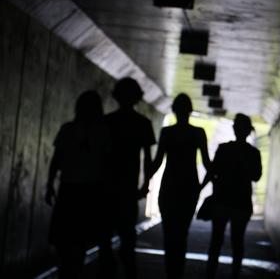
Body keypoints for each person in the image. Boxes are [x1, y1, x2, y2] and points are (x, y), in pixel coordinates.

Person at [45, 90, 111, 279]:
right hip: (90, 191)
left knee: (63, 239)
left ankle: (64, 272)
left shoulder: (67, 129)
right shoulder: (103, 132)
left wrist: (50, 184)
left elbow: (56, 160)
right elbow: (106, 164)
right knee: (80, 241)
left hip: (69, 189)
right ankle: (74, 272)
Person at [97, 77, 156, 279]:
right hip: (128, 189)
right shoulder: (143, 124)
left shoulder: (106, 122)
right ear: (137, 98)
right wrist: (145, 185)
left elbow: (99, 156)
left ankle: (108, 270)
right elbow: (148, 159)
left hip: (106, 188)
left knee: (104, 238)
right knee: (127, 239)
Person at [149, 93, 211, 279]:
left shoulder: (167, 133)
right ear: (190, 111)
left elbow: (158, 161)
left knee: (169, 233)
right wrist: (202, 186)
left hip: (169, 187)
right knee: (182, 233)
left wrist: (145, 182)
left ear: (174, 110)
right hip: (189, 188)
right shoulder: (198, 133)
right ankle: (178, 273)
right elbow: (209, 165)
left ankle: (170, 272)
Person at [203, 113, 262, 279]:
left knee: (216, 240)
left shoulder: (224, 149)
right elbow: (256, 176)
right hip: (241, 203)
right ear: (248, 131)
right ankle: (235, 274)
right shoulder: (253, 153)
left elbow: (212, 172)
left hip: (222, 200)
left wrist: (199, 188)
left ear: (234, 129)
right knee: (238, 241)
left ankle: (210, 273)